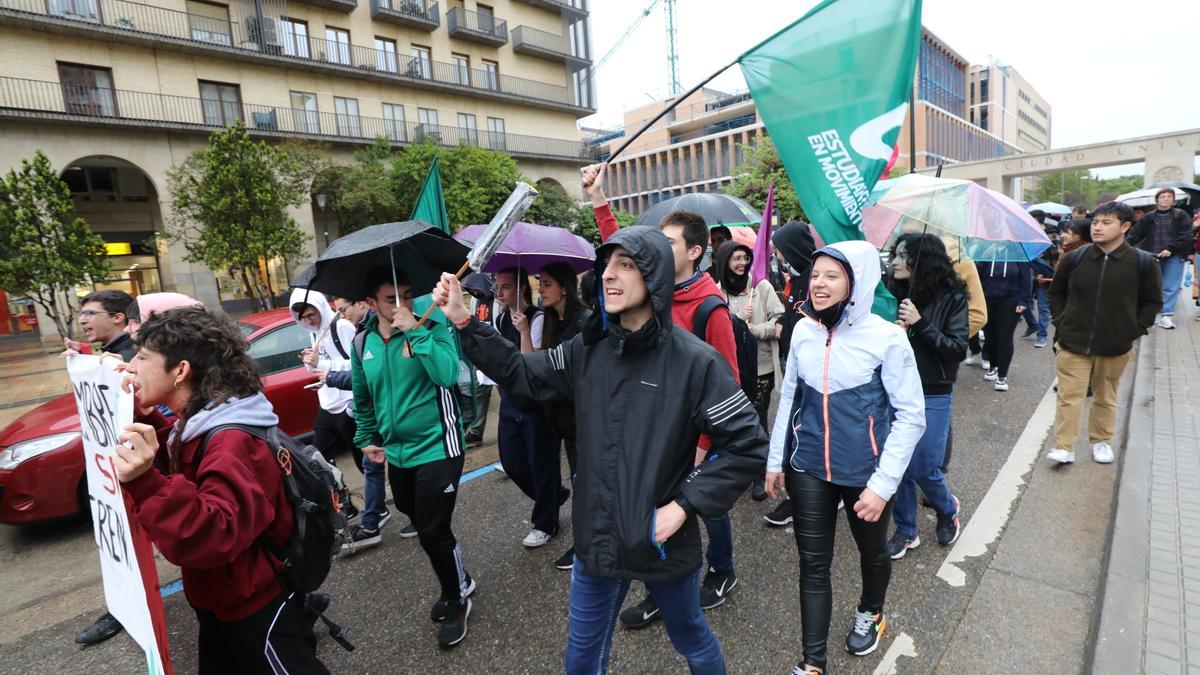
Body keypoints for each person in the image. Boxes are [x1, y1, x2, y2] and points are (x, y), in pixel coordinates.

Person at [433, 226, 768, 674]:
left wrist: (684, 506)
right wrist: (463, 321)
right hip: (596, 538)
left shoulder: (694, 361)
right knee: (582, 658)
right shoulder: (587, 350)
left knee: (690, 637)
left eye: (626, 265)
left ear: (655, 278)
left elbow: (747, 447)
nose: (609, 275)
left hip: (658, 540)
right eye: (607, 264)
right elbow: (520, 373)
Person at [115, 305, 330, 673]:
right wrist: (140, 416)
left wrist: (145, 482)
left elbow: (215, 533)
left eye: (142, 357)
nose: (130, 367)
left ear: (181, 370)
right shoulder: (205, 418)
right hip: (224, 597)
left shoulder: (231, 438)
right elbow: (190, 464)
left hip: (255, 605)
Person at [583, 163, 746, 627]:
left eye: (668, 242)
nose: (652, 248)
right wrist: (599, 199)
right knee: (650, 507)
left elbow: (728, 381)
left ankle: (722, 570)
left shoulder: (710, 307)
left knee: (699, 506)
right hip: (652, 424)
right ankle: (662, 586)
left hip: (697, 437)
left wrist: (702, 448)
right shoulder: (653, 294)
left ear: (694, 252)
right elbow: (622, 245)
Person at [765, 241, 925, 674]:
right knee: (812, 564)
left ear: (857, 283)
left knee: (872, 554)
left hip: (866, 473)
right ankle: (812, 663)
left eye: (832, 275)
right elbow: (790, 398)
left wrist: (882, 484)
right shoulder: (802, 330)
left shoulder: (887, 337)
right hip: (810, 467)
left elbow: (911, 416)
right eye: (815, 274)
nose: (818, 283)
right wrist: (775, 460)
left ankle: (871, 612)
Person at [351, 267, 475, 648]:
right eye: (391, 299)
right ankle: (460, 577)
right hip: (399, 453)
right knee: (412, 511)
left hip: (440, 445)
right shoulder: (363, 345)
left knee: (434, 529)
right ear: (372, 304)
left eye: (406, 294)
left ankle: (457, 597)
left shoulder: (432, 328)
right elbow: (363, 397)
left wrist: (415, 331)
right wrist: (364, 438)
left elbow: (447, 374)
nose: (402, 304)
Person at [1046, 201, 1162, 465]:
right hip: (1073, 341)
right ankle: (1064, 446)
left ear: (1125, 226)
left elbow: (1152, 302)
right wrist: (1061, 321)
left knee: (1106, 396)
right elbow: (1056, 292)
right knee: (1069, 396)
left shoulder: (1142, 263)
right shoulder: (1075, 258)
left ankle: (1100, 440)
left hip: (1115, 345)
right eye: (1096, 222)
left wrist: (1132, 330)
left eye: (1106, 222)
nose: (1097, 227)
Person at [884, 234, 968, 560]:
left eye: (903, 255)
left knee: (924, 467)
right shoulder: (891, 292)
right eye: (895, 253)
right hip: (895, 389)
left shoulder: (953, 297)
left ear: (923, 260)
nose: (894, 260)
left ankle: (947, 508)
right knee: (899, 465)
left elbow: (955, 350)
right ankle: (906, 530)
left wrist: (920, 323)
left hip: (933, 392)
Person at [70, 288, 135, 647]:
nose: (83, 320)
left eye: (90, 313)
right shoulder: (109, 357)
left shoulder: (130, 359)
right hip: (118, 472)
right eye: (82, 314)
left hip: (137, 472)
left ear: (118, 319)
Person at [321, 297, 414, 541]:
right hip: (375, 413)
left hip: (391, 413)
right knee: (372, 467)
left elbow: (369, 376)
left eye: (343, 309)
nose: (341, 315)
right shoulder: (363, 333)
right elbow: (362, 382)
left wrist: (330, 377)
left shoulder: (389, 329)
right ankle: (373, 521)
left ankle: (397, 517)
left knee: (399, 469)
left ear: (362, 303)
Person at [493, 267, 564, 549]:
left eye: (505, 287)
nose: (498, 293)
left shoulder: (538, 318)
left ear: (522, 288)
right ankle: (553, 496)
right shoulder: (500, 318)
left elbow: (530, 365)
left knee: (543, 464)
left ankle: (546, 521)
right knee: (512, 463)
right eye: (497, 287)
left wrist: (523, 330)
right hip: (510, 399)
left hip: (536, 403)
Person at [714, 240, 784, 499]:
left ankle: (759, 474)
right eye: (736, 259)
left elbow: (779, 319)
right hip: (732, 368)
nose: (742, 263)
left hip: (761, 366)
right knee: (735, 422)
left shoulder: (761, 287)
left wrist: (755, 330)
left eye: (745, 258)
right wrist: (736, 319)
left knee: (757, 419)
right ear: (724, 263)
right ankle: (742, 469)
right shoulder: (718, 292)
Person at [538, 262, 592, 571]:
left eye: (546, 284)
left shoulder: (584, 321)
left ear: (564, 288)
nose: (541, 289)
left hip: (581, 418)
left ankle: (584, 545)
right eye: (540, 283)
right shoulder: (549, 321)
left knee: (581, 480)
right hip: (558, 416)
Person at [763, 221, 816, 527]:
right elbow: (794, 309)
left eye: (782, 251)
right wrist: (784, 317)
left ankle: (799, 500)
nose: (779, 257)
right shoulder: (797, 277)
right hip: (793, 365)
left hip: (810, 373)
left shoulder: (815, 277)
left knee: (801, 435)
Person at [1127, 188, 1194, 329]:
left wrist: (1171, 248)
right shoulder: (1149, 217)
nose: (1166, 199)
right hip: (1152, 255)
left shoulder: (1180, 215)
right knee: (1151, 285)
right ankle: (1149, 314)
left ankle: (1166, 315)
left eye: (1169, 196)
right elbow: (1136, 233)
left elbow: (1186, 235)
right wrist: (1124, 245)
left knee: (1170, 286)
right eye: (1163, 196)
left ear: (1173, 200)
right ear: (1157, 200)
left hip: (1174, 255)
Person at [975, 258, 1031, 392]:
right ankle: (993, 366)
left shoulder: (1018, 253)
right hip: (986, 299)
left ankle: (1002, 375)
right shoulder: (986, 251)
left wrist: (1024, 300)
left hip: (1010, 300)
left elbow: (1026, 277)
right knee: (990, 336)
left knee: (1004, 337)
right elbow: (977, 272)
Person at [460, 273, 496, 447]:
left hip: (497, 352)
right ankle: (476, 431)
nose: (473, 293)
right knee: (480, 393)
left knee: (507, 392)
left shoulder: (497, 299)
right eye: (470, 291)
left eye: (475, 289)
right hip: (481, 353)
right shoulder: (475, 301)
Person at [1021, 210, 1059, 348]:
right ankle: (1032, 325)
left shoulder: (1051, 235)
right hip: (1029, 276)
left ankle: (1042, 336)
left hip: (1045, 277)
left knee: (1043, 307)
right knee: (1022, 304)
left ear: (1037, 220)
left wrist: (1052, 277)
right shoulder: (1026, 235)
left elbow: (1055, 259)